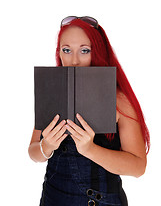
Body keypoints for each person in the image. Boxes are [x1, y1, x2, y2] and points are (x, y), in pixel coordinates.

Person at [28, 16, 150, 206]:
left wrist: (90, 149)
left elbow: (138, 167)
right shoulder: (53, 91)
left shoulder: (118, 99)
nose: (74, 60)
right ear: (58, 52)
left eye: (84, 50)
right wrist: (47, 147)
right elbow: (33, 151)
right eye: (66, 50)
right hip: (52, 198)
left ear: (98, 52)